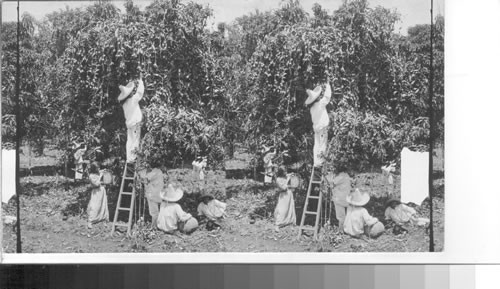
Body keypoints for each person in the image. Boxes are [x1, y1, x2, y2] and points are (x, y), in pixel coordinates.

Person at [304, 81, 332, 178]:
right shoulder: (320, 104)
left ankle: (316, 163)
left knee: (317, 145)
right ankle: (320, 163)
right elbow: (327, 97)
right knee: (322, 145)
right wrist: (328, 85)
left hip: (316, 128)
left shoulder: (312, 108)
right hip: (322, 128)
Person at [118, 77, 144, 163]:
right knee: (135, 140)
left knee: (130, 140)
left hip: (129, 123)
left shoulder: (124, 104)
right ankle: (133, 158)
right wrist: (141, 81)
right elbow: (140, 93)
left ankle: (129, 158)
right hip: (135, 123)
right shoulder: (133, 100)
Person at [138, 163, 164, 229]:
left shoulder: (153, 173)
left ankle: (154, 226)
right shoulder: (159, 171)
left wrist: (140, 178)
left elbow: (146, 179)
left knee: (154, 212)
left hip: (152, 194)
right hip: (158, 194)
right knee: (158, 210)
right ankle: (158, 225)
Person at [325, 167, 351, 233]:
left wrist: (327, 176)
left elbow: (332, 182)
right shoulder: (346, 175)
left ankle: (341, 230)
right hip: (345, 197)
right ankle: (345, 228)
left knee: (340, 215)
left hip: (340, 198)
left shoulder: (341, 176)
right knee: (344, 214)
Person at [87, 162, 109, 229]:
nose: (99, 169)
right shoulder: (91, 176)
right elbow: (96, 184)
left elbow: (102, 172)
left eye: (99, 168)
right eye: (97, 168)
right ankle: (90, 221)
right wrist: (100, 176)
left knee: (103, 205)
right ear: (94, 169)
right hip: (96, 192)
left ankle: (103, 218)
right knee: (95, 206)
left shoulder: (98, 173)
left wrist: (104, 171)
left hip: (102, 190)